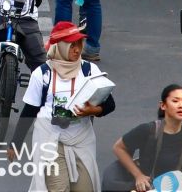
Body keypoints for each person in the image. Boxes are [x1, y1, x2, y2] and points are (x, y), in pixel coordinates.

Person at [10, 22, 116, 192]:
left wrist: (93, 111)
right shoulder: (42, 74)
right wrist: (15, 144)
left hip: (82, 139)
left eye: (79, 44)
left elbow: (110, 104)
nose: (77, 49)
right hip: (50, 139)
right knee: (58, 188)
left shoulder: (90, 70)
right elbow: (29, 111)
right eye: (71, 45)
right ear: (60, 46)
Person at [103, 84, 182, 192]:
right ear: (163, 106)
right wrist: (139, 176)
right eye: (175, 101)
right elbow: (118, 148)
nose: (181, 105)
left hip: (176, 187)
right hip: (150, 188)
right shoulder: (147, 130)